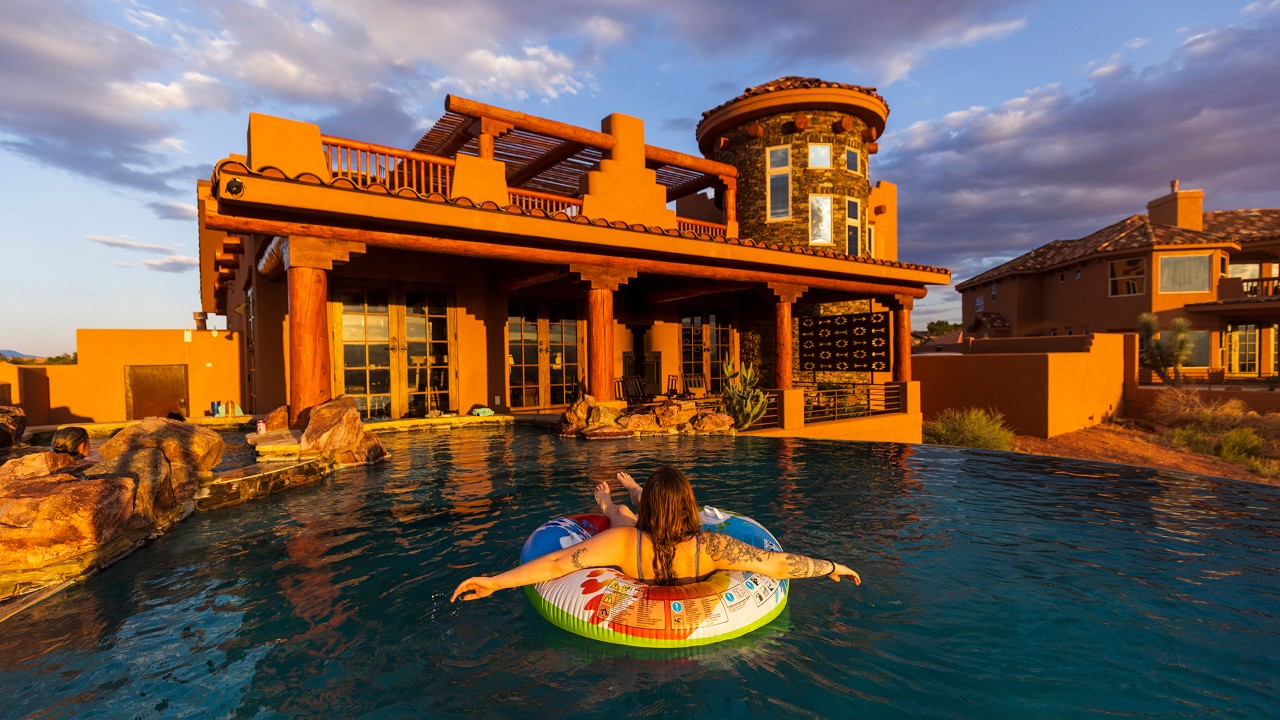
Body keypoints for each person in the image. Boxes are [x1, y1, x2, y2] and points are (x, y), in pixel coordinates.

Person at [451, 466, 859, 602]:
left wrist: (494, 582)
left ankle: (610, 500)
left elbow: (558, 563)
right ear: (689, 505)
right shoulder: (711, 545)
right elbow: (780, 564)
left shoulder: (624, 541)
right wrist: (831, 567)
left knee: (620, 515)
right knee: (628, 513)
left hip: (633, 581)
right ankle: (628, 494)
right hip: (703, 641)